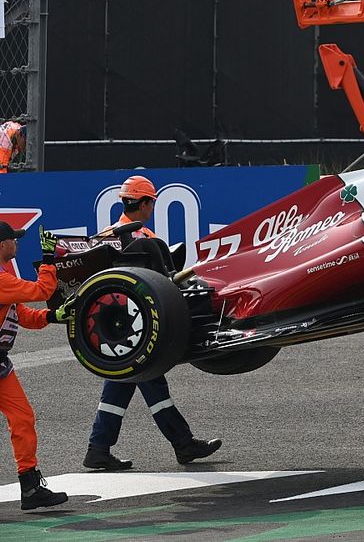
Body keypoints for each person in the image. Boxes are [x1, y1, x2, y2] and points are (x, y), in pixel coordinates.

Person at [83, 175, 222, 470]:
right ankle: (182, 444)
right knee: (150, 382)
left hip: (116, 331)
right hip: (141, 328)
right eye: (151, 202)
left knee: (120, 384)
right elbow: (164, 282)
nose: (151, 208)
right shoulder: (144, 239)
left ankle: (98, 448)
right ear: (144, 203)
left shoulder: (107, 235)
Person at [0, 223, 70, 509]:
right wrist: (49, 258)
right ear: (2, 245)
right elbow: (44, 288)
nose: (17, 244)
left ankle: (30, 487)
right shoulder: (1, 280)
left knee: (23, 418)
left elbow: (24, 315)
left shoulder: (5, 278)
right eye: (14, 240)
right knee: (22, 418)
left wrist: (54, 316)